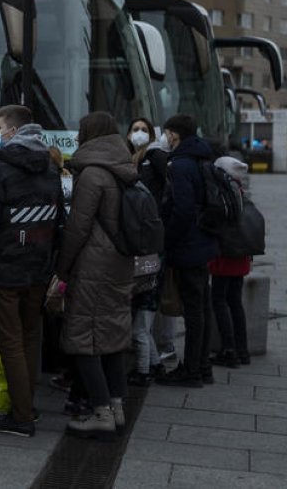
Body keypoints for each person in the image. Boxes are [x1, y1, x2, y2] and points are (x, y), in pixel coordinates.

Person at [0, 104, 63, 438]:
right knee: (31, 336)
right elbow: (57, 219)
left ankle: (21, 416)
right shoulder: (50, 167)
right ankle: (29, 406)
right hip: (38, 267)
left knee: (10, 340)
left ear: (12, 131)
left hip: (5, 270)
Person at [55, 112, 136, 439]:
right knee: (113, 337)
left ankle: (101, 411)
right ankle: (116, 409)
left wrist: (62, 268)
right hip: (119, 262)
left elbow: (78, 227)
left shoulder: (92, 174)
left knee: (83, 337)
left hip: (93, 266)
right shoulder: (124, 167)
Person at [156, 114, 219, 388]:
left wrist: (167, 240)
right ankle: (202, 365)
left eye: (167, 133)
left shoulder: (180, 164)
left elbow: (181, 209)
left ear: (174, 135)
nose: (166, 138)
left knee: (193, 311)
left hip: (188, 245)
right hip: (204, 241)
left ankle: (191, 370)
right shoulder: (203, 157)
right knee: (201, 308)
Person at [125, 118, 166, 386]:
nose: (139, 134)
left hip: (148, 248)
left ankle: (143, 371)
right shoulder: (131, 158)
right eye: (135, 129)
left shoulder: (155, 158)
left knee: (141, 319)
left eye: (144, 130)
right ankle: (154, 364)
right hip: (146, 248)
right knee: (143, 315)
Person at [209, 156, 252, 368]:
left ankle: (228, 349)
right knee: (234, 301)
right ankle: (242, 350)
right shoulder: (241, 189)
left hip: (226, 255)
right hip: (240, 253)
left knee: (218, 299)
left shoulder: (224, 190)